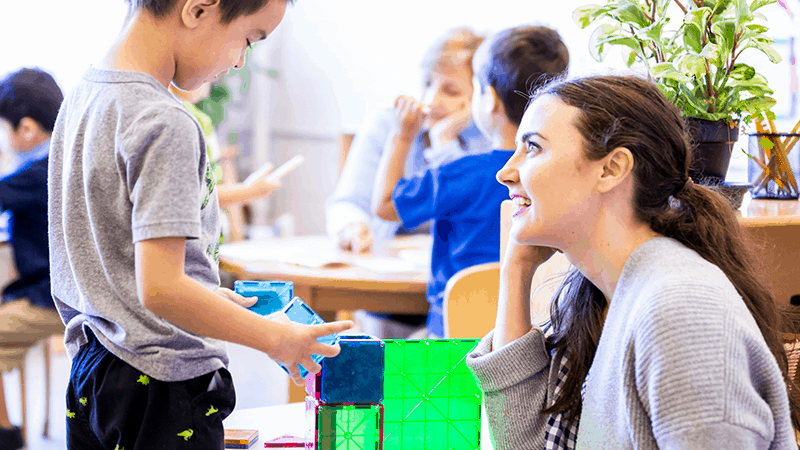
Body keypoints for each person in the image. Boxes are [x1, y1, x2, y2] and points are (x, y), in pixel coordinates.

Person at [47, 1, 352, 448]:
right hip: (159, 380)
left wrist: (204, 293)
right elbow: (162, 290)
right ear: (198, 10)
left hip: (94, 369)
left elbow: (117, 259)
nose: (240, 60)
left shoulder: (85, 94)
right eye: (248, 39)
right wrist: (276, 339)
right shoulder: (163, 120)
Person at [465, 75, 800, 449]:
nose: (505, 172)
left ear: (611, 169)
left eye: (533, 148)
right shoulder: (598, 297)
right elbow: (529, 444)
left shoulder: (682, 311)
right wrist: (516, 271)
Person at [373, 26, 570, 338]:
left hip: (451, 344)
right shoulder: (564, 176)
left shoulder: (463, 173)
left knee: (387, 356)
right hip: (534, 341)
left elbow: (384, 206)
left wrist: (402, 135)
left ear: (488, 99)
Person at [326, 27, 491, 254]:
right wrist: (351, 225)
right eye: (427, 83)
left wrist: (444, 140)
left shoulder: (491, 135)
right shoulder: (387, 123)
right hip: (386, 260)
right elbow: (348, 203)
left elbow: (471, 213)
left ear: (482, 95)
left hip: (456, 268)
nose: (431, 99)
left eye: (451, 91)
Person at [0, 68, 65, 450]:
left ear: (26, 128)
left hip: (54, 297)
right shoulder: (63, 158)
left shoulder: (39, 172)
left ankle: (6, 436)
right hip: (58, 290)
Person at [170, 82, 280, 241]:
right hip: (193, 240)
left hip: (212, 238)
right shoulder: (184, 119)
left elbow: (213, 179)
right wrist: (247, 191)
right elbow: (192, 194)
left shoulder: (201, 119)